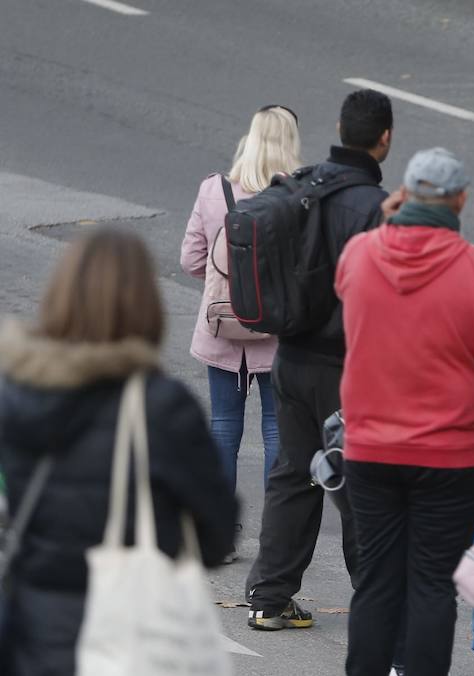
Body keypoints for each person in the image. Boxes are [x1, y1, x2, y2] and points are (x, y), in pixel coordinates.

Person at [0, 228, 236, 676]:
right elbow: (216, 535)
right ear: (144, 304)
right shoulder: (160, 407)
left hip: (36, 632)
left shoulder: (16, 396)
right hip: (134, 635)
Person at [336, 147, 474, 676]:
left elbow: (344, 293)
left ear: (404, 195)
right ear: (462, 200)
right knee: (431, 585)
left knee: (378, 582)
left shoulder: (359, 256)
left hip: (370, 450)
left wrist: (388, 217)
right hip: (450, 456)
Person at [245, 89, 394, 631]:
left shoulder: (303, 185)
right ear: (385, 139)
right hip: (346, 370)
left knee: (293, 474)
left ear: (338, 126)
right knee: (360, 485)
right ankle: (379, 603)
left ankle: (268, 598)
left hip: (289, 359)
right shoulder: (375, 210)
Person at [180, 105, 300, 561]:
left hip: (221, 325)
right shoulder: (297, 194)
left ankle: (220, 534)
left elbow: (191, 260)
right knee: (276, 432)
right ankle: (275, 538)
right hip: (276, 330)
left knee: (223, 428)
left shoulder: (215, 190)